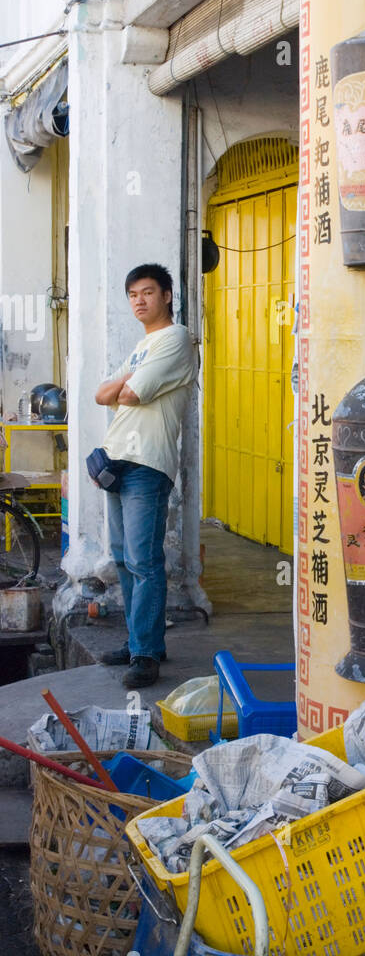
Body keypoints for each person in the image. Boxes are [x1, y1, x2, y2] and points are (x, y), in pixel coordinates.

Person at [94, 264, 198, 688]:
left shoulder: (176, 338)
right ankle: (143, 643)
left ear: (167, 295)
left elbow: (131, 393)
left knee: (143, 562)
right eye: (133, 294)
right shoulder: (143, 347)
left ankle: (145, 656)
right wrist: (125, 382)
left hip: (146, 464)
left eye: (148, 292)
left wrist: (124, 385)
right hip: (116, 462)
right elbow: (102, 395)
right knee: (122, 558)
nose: (139, 300)